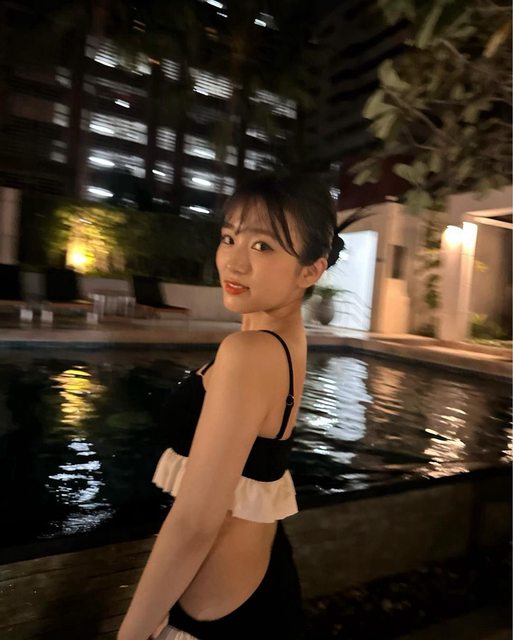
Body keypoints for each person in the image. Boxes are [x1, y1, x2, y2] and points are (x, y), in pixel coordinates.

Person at [117, 172, 344, 640]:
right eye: (229, 238)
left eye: (262, 246)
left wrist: (130, 634)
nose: (234, 262)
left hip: (218, 616)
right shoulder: (281, 340)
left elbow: (196, 522)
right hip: (256, 583)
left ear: (310, 271)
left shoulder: (250, 353)